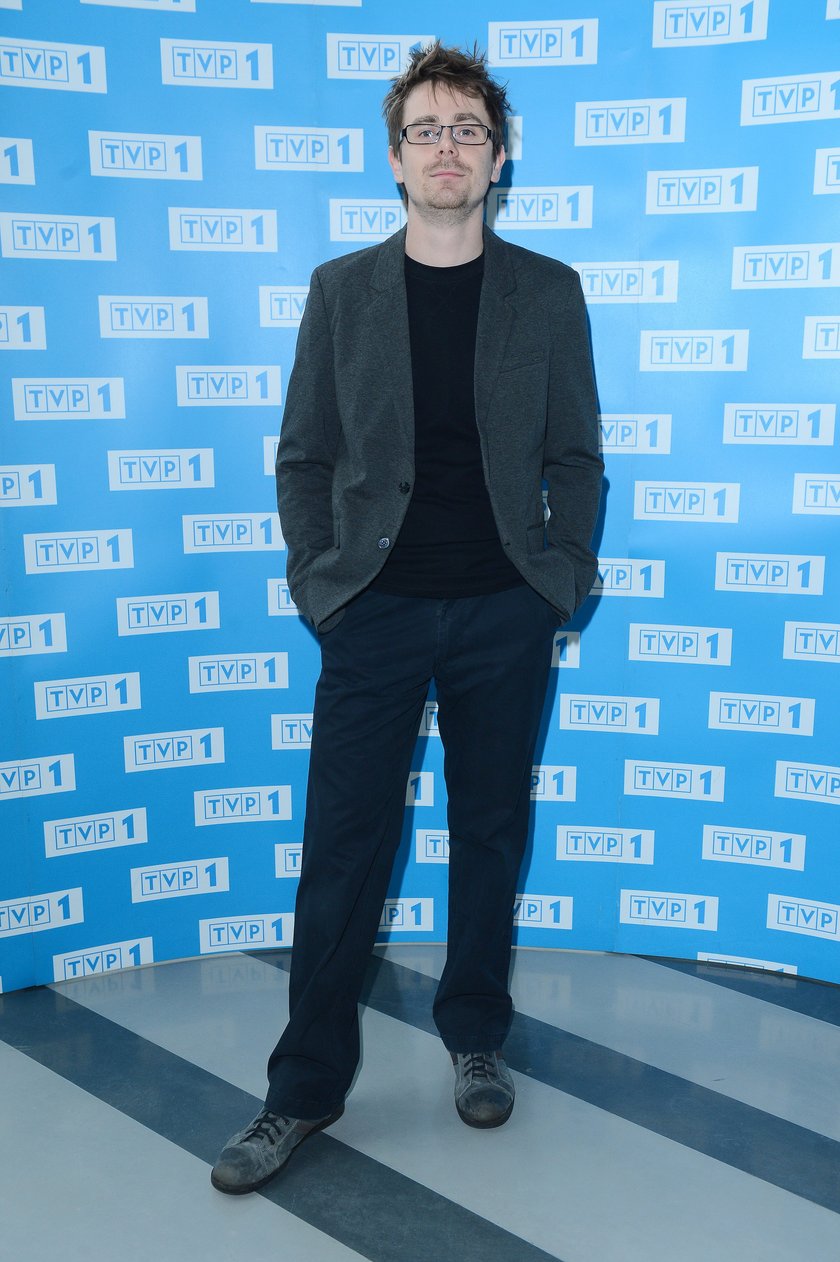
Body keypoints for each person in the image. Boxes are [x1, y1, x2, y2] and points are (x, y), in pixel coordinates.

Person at [211, 40, 603, 1196]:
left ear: (499, 157)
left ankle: (476, 1032)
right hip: (372, 612)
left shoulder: (549, 291)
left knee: (488, 832)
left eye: (468, 130)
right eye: (426, 129)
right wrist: (320, 586)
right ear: (394, 157)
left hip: (503, 611)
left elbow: (577, 457)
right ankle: (302, 1087)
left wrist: (558, 581)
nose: (447, 148)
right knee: (344, 847)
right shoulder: (341, 290)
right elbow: (304, 455)